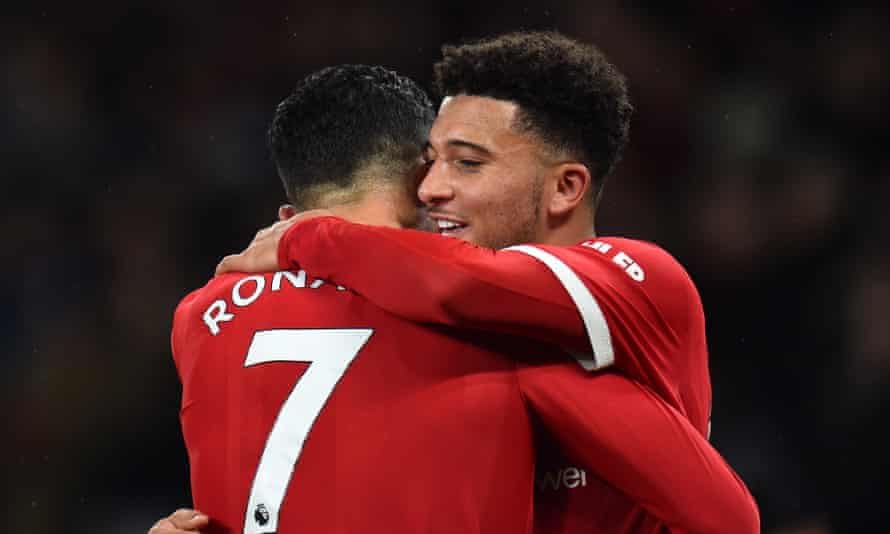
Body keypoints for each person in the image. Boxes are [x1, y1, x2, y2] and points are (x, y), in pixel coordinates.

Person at [154, 62, 758, 533]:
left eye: (465, 165)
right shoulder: (482, 332)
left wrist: (313, 236)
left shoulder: (200, 316)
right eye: (439, 170)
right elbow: (723, 517)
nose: (444, 193)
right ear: (421, 196)